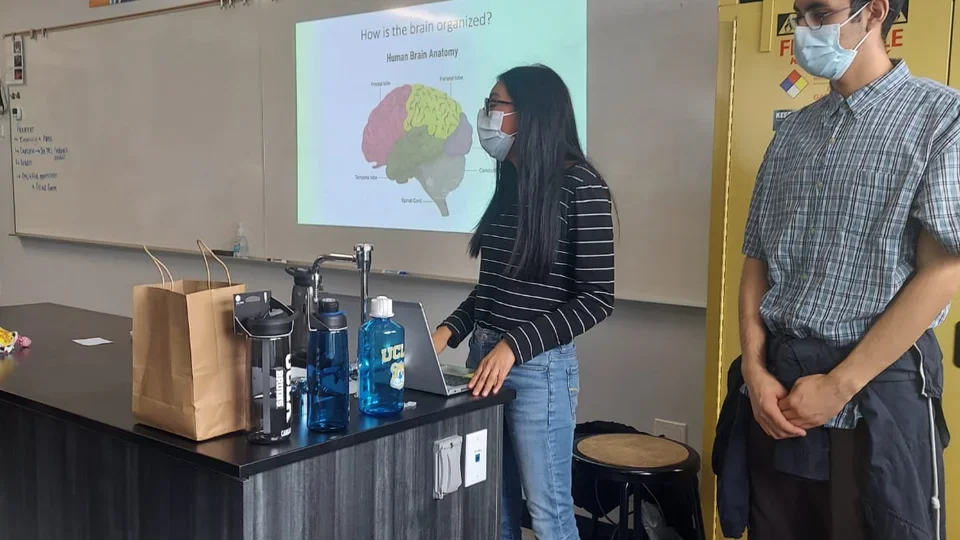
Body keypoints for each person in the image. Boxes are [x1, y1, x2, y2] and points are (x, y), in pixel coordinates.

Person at [731, 0, 960, 539]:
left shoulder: (940, 117)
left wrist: (840, 385)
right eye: (798, 15)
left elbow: (944, 271)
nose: (803, 29)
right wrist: (753, 369)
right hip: (779, 394)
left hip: (876, 395)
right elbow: (757, 258)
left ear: (874, 11)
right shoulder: (793, 133)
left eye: (820, 13)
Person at [431, 65, 614, 540]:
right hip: (482, 362)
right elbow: (493, 287)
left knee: (549, 513)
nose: (486, 115)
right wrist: (449, 330)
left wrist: (515, 345)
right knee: (493, 505)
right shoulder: (511, 182)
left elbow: (597, 298)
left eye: (496, 105)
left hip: (539, 372)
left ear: (532, 114)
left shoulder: (582, 186)